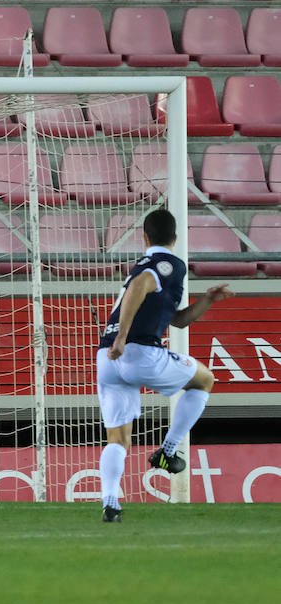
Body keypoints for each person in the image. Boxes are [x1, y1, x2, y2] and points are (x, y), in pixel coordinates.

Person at [95, 209, 233, 523]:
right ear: (175, 238)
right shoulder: (167, 264)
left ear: (144, 237)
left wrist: (207, 300)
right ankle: (167, 452)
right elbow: (140, 287)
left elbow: (179, 320)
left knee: (117, 439)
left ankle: (110, 503)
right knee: (204, 380)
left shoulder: (140, 267)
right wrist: (124, 339)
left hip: (107, 359)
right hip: (137, 353)